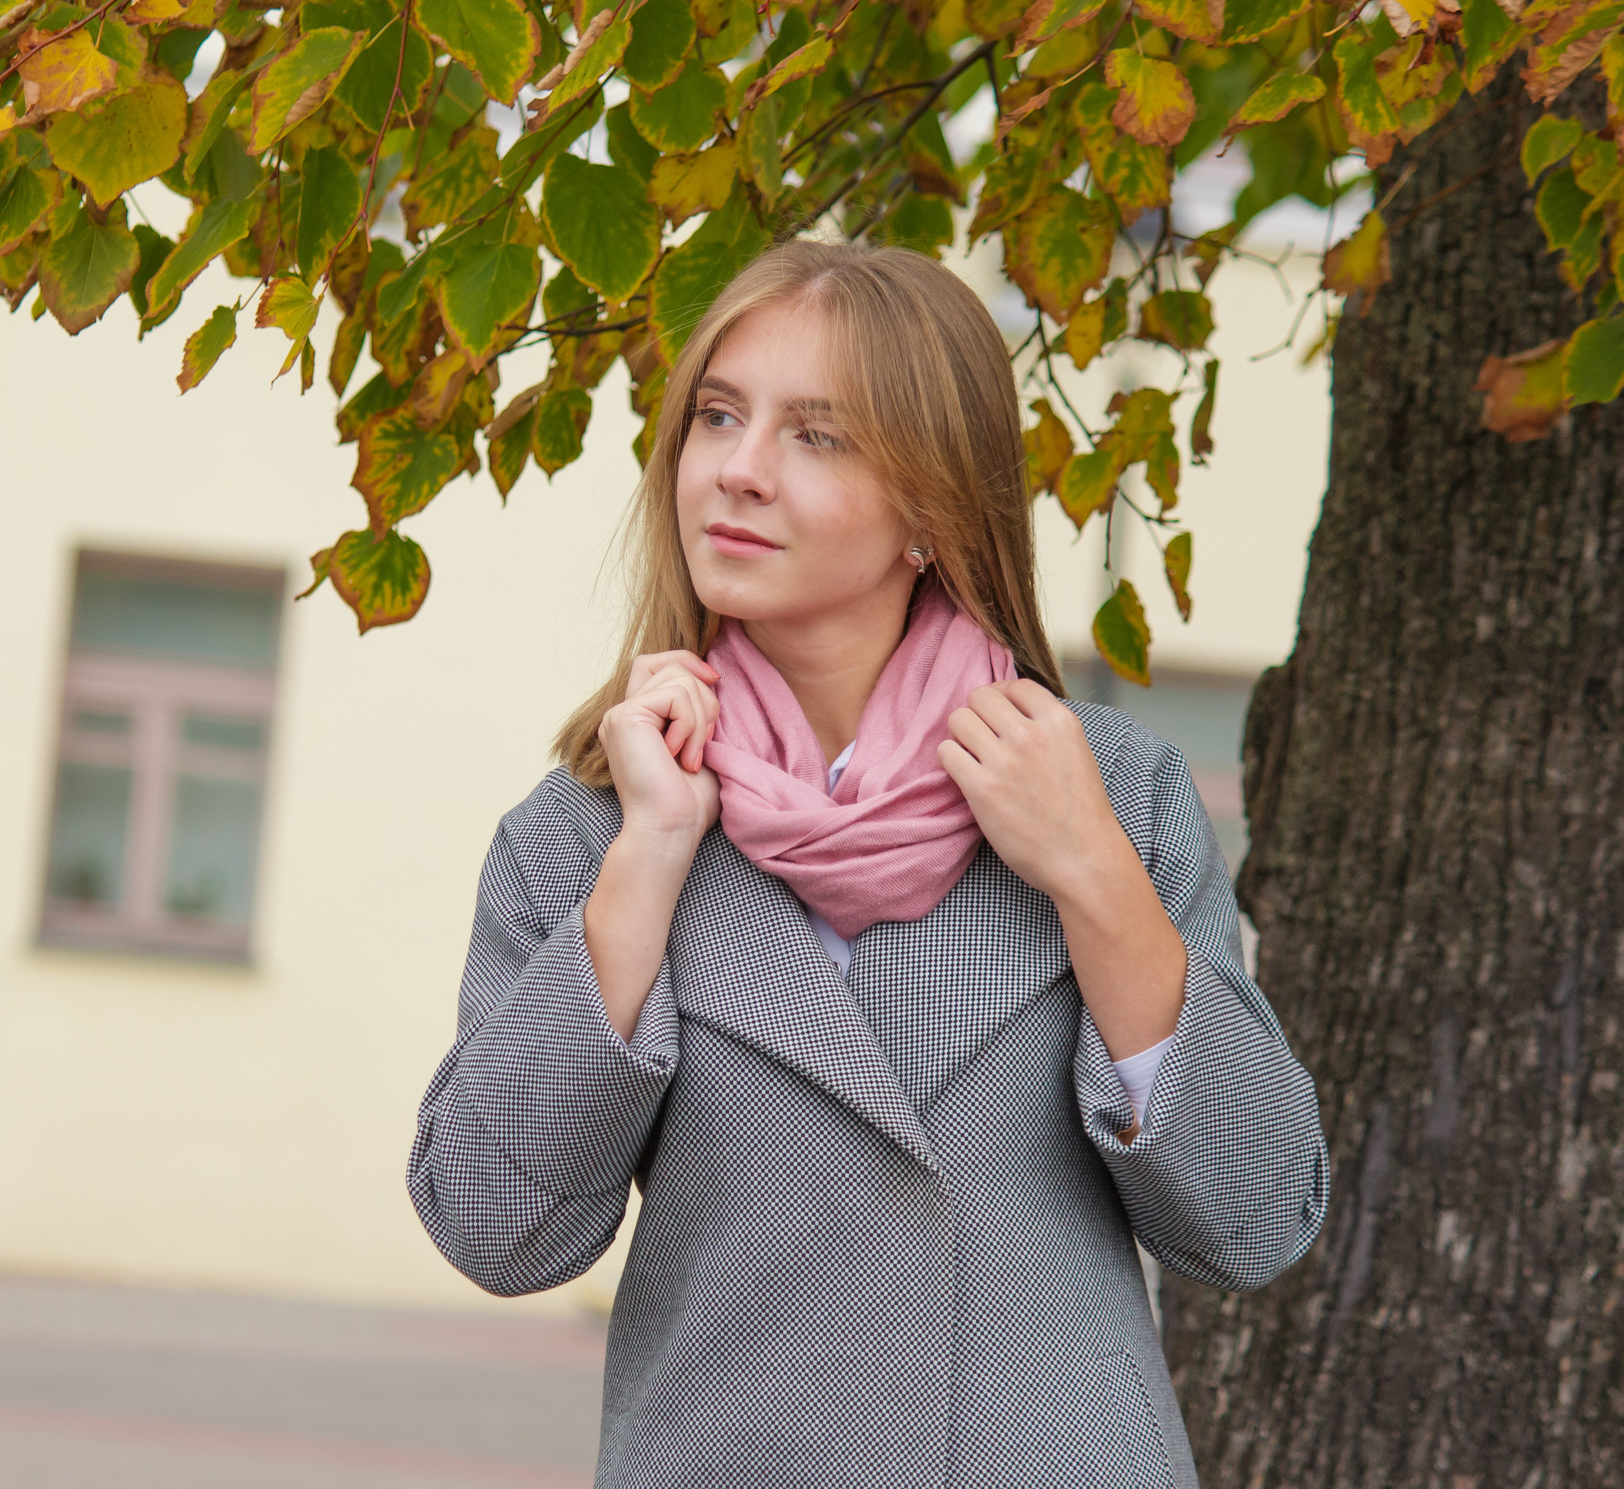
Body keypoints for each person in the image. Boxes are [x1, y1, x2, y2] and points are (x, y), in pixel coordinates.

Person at [406, 241, 1330, 1489]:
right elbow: (490, 1224)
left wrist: (1092, 875)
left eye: (816, 436)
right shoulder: (589, 827)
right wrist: (649, 861)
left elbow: (1252, 1216)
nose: (737, 470)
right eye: (717, 418)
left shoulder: (1109, 794)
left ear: (933, 511)